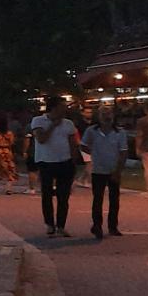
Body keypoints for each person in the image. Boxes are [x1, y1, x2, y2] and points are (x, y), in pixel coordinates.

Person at [32, 98, 79, 237]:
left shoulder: (68, 123)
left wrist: (74, 161)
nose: (65, 109)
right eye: (62, 107)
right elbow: (41, 139)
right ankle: (49, 224)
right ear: (53, 108)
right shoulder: (38, 121)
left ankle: (61, 225)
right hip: (46, 162)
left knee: (63, 196)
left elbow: (72, 143)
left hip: (65, 161)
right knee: (47, 194)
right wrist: (53, 125)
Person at [82, 105, 126, 239]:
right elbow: (83, 145)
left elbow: (123, 152)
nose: (107, 117)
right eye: (104, 115)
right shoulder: (92, 131)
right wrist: (94, 153)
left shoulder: (119, 132)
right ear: (99, 117)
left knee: (114, 200)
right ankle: (97, 226)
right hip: (98, 169)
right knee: (98, 199)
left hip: (113, 169)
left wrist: (118, 170)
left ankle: (113, 226)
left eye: (109, 114)